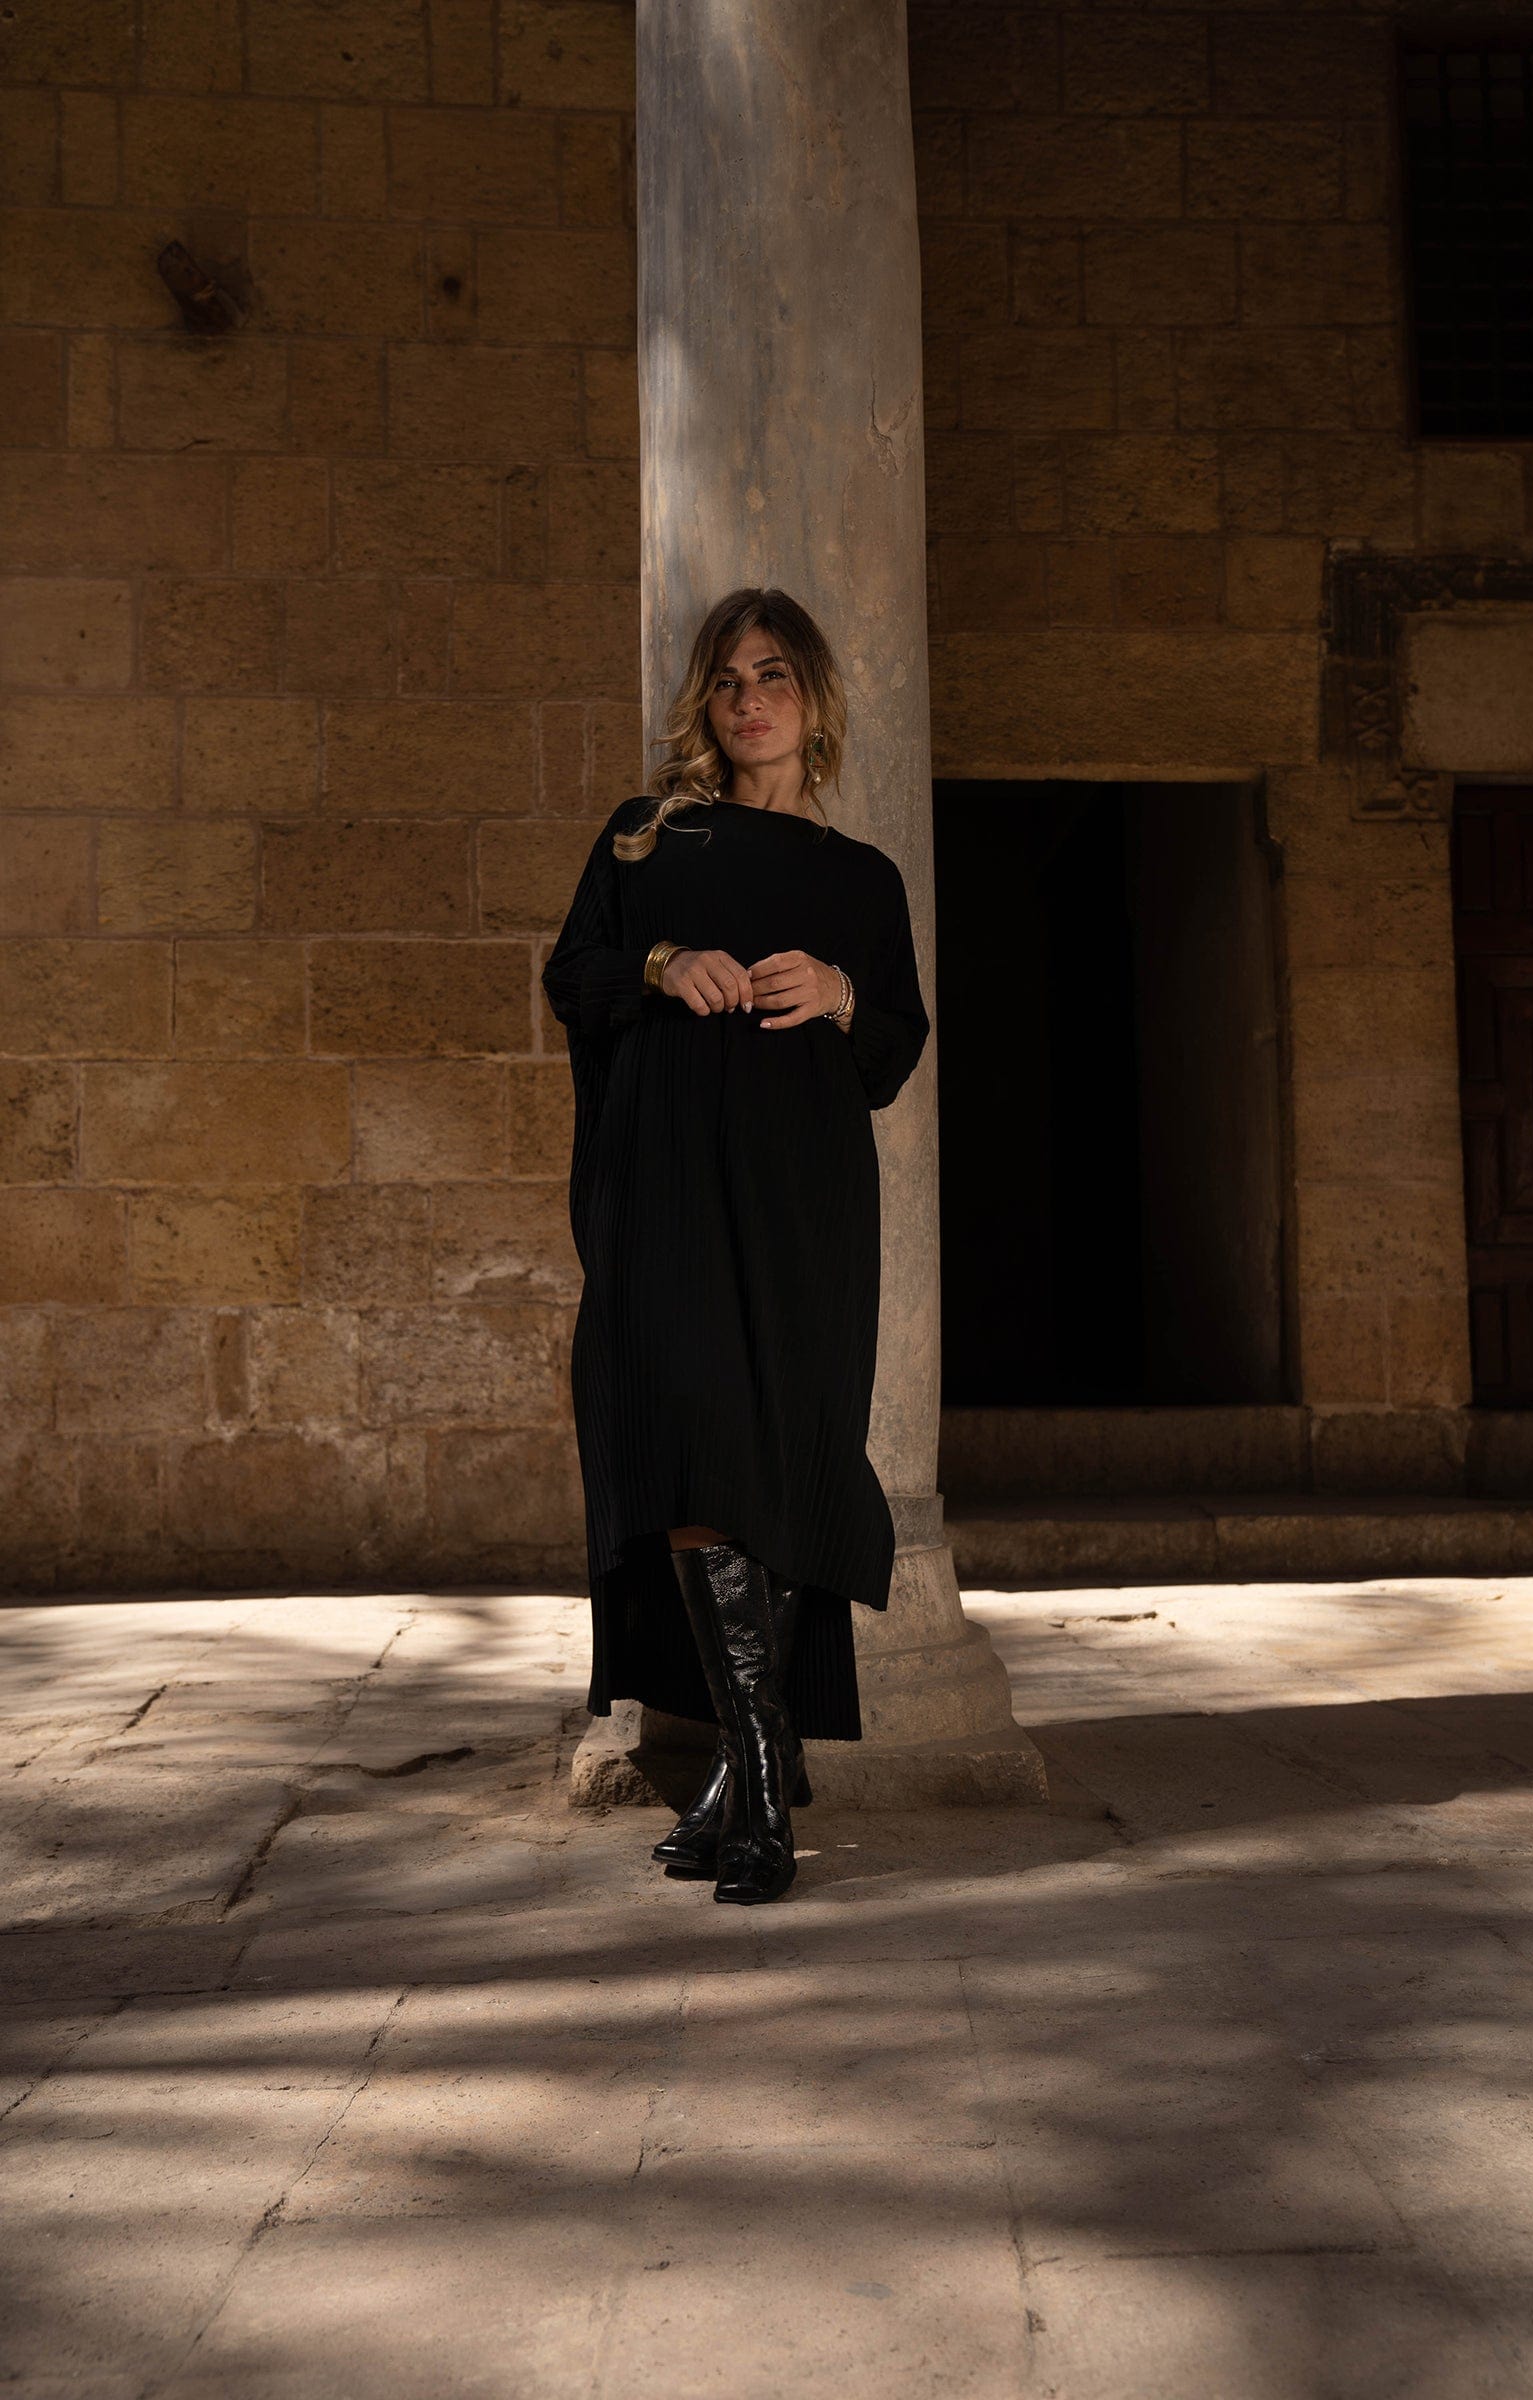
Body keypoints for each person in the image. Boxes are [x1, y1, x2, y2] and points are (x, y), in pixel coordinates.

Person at [541, 586, 929, 1905]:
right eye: (726, 679)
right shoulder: (646, 839)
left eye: (772, 675)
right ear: (704, 705)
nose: (749, 699)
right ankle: (765, 1771)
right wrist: (661, 963)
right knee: (695, 1440)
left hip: (805, 1198)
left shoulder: (861, 878)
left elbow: (894, 1051)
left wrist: (844, 991)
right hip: (666, 1193)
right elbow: (571, 977)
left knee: (791, 1453)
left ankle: (746, 1778)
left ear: (813, 698)